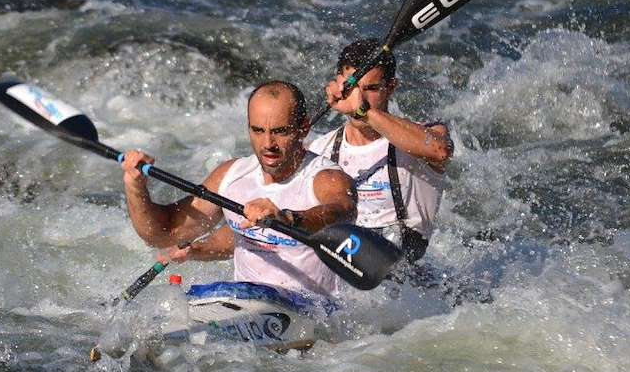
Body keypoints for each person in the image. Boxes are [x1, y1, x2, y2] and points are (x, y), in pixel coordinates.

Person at [120, 81, 356, 296]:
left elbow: (343, 211)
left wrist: (287, 217)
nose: (268, 144)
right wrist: (135, 186)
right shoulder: (231, 176)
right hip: (246, 308)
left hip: (314, 317)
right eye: (258, 130)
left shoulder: (326, 177)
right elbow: (162, 234)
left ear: (303, 128)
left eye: (280, 131)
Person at [308, 38, 452, 263]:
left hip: (407, 281)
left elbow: (440, 151)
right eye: (352, 89)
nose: (360, 99)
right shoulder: (320, 150)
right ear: (338, 85)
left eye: (371, 89)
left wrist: (364, 112)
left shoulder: (422, 138)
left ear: (391, 87)